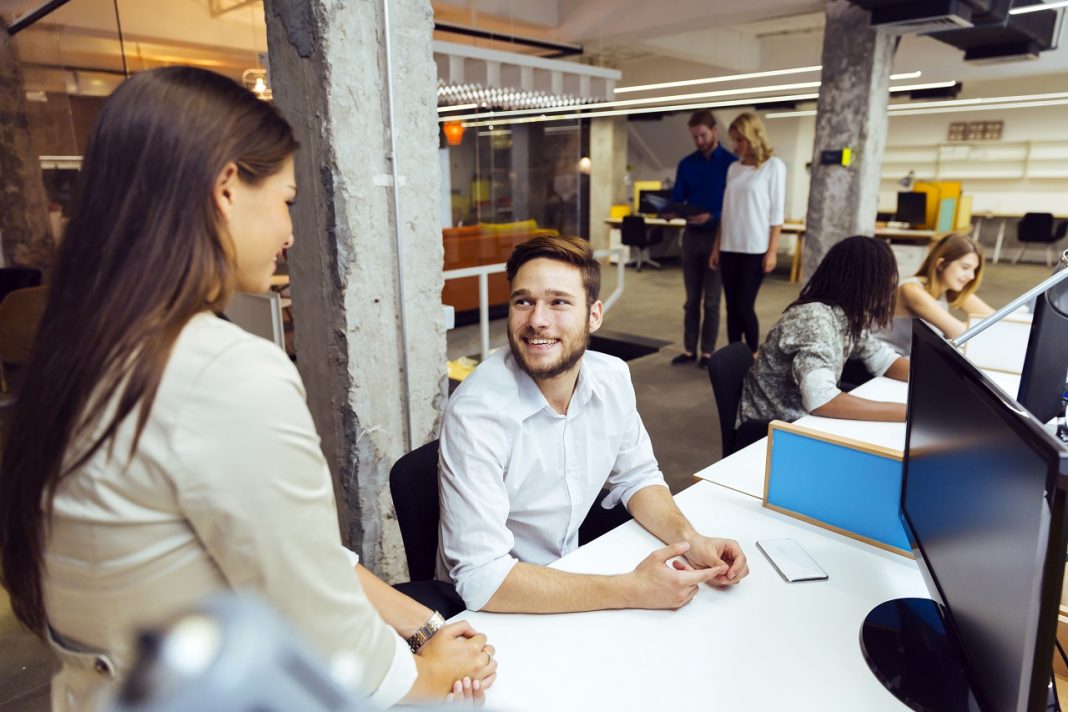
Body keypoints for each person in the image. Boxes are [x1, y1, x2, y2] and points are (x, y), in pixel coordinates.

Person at [0, 67, 495, 710]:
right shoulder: (226, 372)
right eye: (286, 199)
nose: (291, 234)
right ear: (228, 187)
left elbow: (279, 544)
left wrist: (418, 621)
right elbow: (327, 631)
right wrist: (425, 674)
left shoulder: (78, 348)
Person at [437, 234, 749, 614]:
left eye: (558, 302)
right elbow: (483, 579)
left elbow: (637, 477)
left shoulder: (612, 378)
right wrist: (634, 590)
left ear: (594, 315)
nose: (537, 320)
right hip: (497, 607)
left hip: (571, 570)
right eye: (524, 301)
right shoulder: (478, 412)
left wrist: (692, 540)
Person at [737, 236, 910, 428]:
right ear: (863, 281)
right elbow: (820, 399)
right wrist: (909, 412)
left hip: (805, 421)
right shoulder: (813, 319)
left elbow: (885, 360)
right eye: (888, 277)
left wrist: (931, 383)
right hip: (772, 431)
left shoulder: (846, 315)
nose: (894, 284)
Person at [711, 112, 786, 353]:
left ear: (754, 137)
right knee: (731, 306)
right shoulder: (734, 168)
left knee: (744, 305)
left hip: (755, 248)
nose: (735, 146)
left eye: (740, 140)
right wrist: (716, 248)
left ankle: (753, 355)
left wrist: (772, 251)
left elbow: (777, 214)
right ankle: (735, 354)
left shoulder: (773, 166)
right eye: (733, 140)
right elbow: (726, 212)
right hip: (729, 247)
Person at [668, 110, 738, 369]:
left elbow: (734, 205)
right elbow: (678, 196)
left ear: (714, 131)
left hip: (718, 237)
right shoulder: (686, 164)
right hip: (691, 236)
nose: (698, 140)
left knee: (711, 300)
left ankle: (707, 352)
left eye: (702, 135)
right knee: (691, 300)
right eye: (694, 136)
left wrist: (712, 215)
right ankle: (689, 350)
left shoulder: (731, 163)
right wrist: (671, 210)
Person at [875, 233, 994, 355]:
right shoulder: (911, 290)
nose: (971, 276)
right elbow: (959, 333)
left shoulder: (949, 289)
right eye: (965, 268)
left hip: (910, 360)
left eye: (974, 269)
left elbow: (997, 319)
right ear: (941, 264)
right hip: (882, 364)